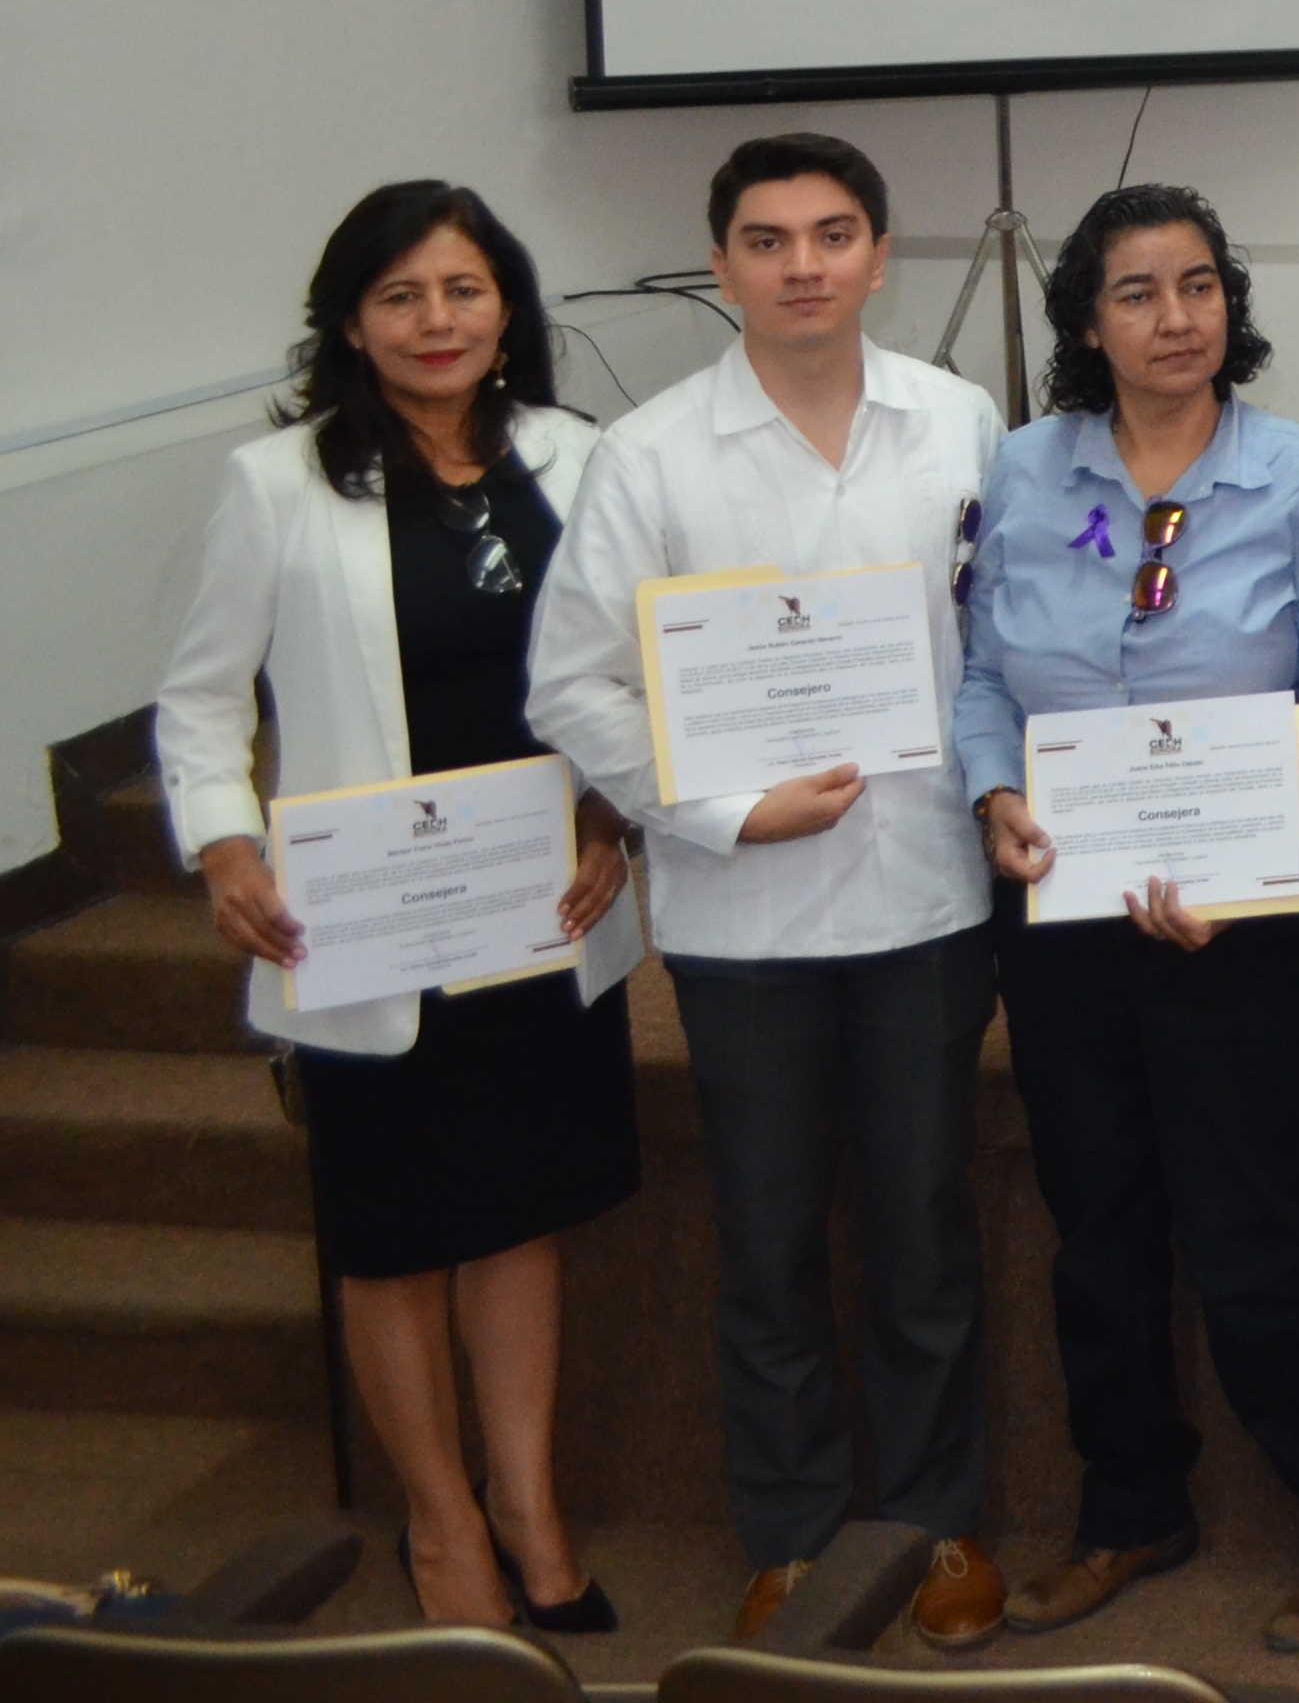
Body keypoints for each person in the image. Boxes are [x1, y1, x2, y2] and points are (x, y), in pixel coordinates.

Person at [526, 132, 1010, 1649]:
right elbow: (571, 684)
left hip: (927, 895)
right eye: (766, 238)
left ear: (880, 253)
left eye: (833, 233)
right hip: (741, 928)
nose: (803, 264)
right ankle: (793, 1539)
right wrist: (725, 811)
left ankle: (937, 1531)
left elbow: (1003, 638)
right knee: (771, 1237)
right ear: (723, 262)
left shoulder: (962, 422)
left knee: (928, 1233)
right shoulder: (651, 452)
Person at [155, 181, 641, 1634]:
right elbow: (196, 703)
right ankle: (441, 1528)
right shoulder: (277, 484)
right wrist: (223, 849)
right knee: (394, 1236)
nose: (437, 322)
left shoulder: (582, 459)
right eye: (402, 297)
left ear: (508, 310)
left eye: (464, 291)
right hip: (368, 920)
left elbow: (626, 674)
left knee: (519, 1221)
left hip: (536, 906)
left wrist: (618, 806)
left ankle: (529, 1507)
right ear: (352, 323)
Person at [954, 186, 1299, 1654]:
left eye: (1201, 286)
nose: (1178, 318)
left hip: (1237, 914)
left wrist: (1257, 853)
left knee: (1250, 1231)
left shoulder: (1296, 471)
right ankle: (1130, 1505)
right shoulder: (1024, 470)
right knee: (1095, 1226)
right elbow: (980, 676)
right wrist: (989, 799)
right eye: (1140, 293)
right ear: (1085, 324)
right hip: (1060, 906)